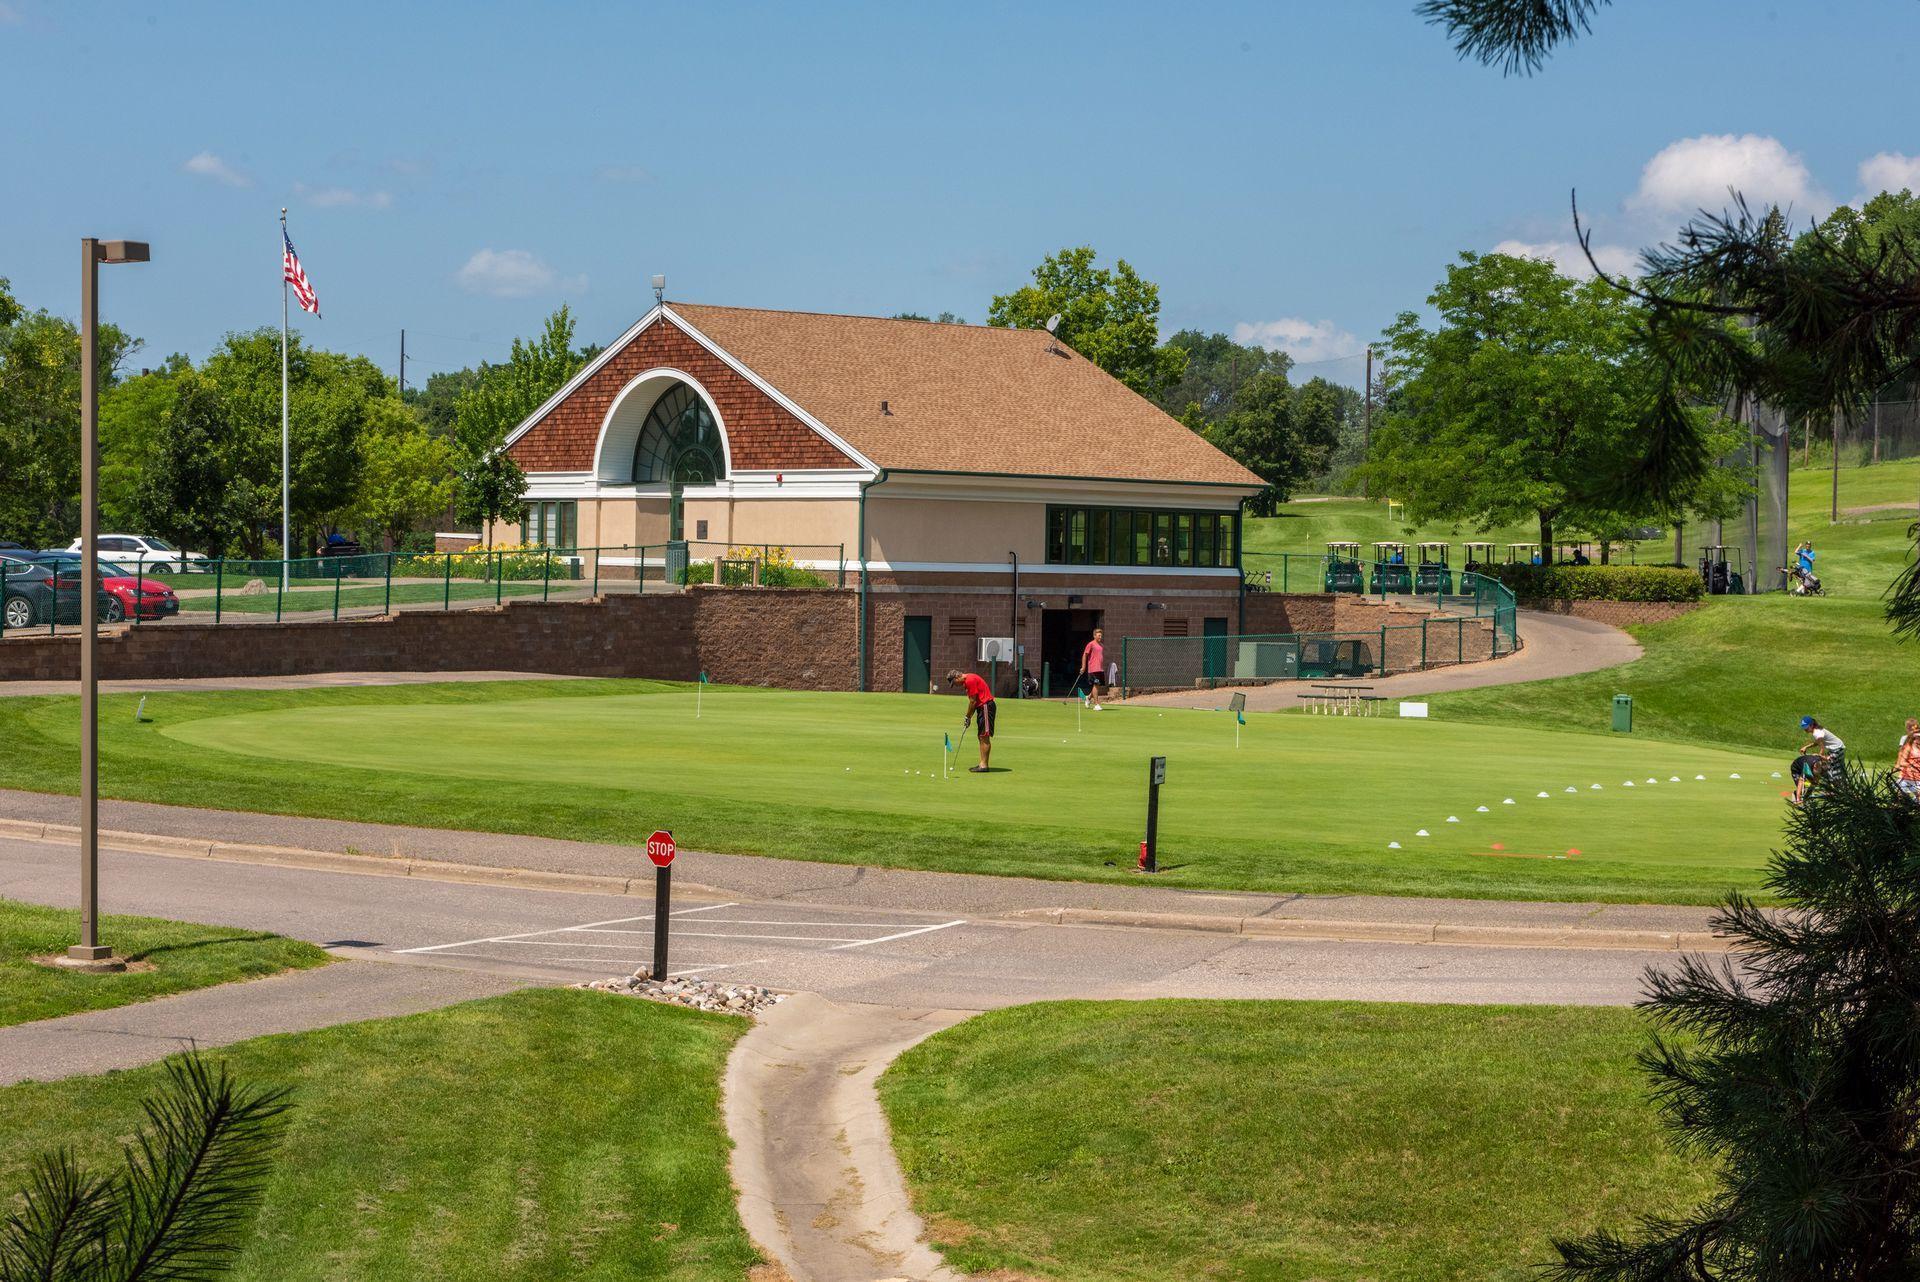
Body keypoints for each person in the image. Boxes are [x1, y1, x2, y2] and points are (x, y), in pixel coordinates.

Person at [947, 668, 995, 773]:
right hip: (981, 708)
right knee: (981, 736)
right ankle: (982, 764)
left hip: (986, 706)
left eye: (954, 683)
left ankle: (984, 766)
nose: (956, 685)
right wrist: (969, 717)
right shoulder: (967, 681)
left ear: (957, 677)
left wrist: (967, 717)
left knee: (984, 736)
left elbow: (973, 702)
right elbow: (973, 702)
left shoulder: (970, 680)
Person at [1077, 628, 1107, 710]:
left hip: (1100, 669)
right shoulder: (1090, 644)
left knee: (1097, 686)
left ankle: (1088, 698)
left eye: (1101, 635)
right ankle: (1096, 704)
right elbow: (1085, 655)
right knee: (1096, 685)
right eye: (1099, 635)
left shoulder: (1101, 645)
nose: (1100, 637)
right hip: (1093, 669)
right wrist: (1083, 667)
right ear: (1094, 636)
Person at [1897, 717, 1920, 801]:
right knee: (1902, 795)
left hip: (1917, 775)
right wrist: (1898, 764)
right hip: (1907, 773)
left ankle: (1913, 803)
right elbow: (1901, 754)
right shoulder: (1906, 741)